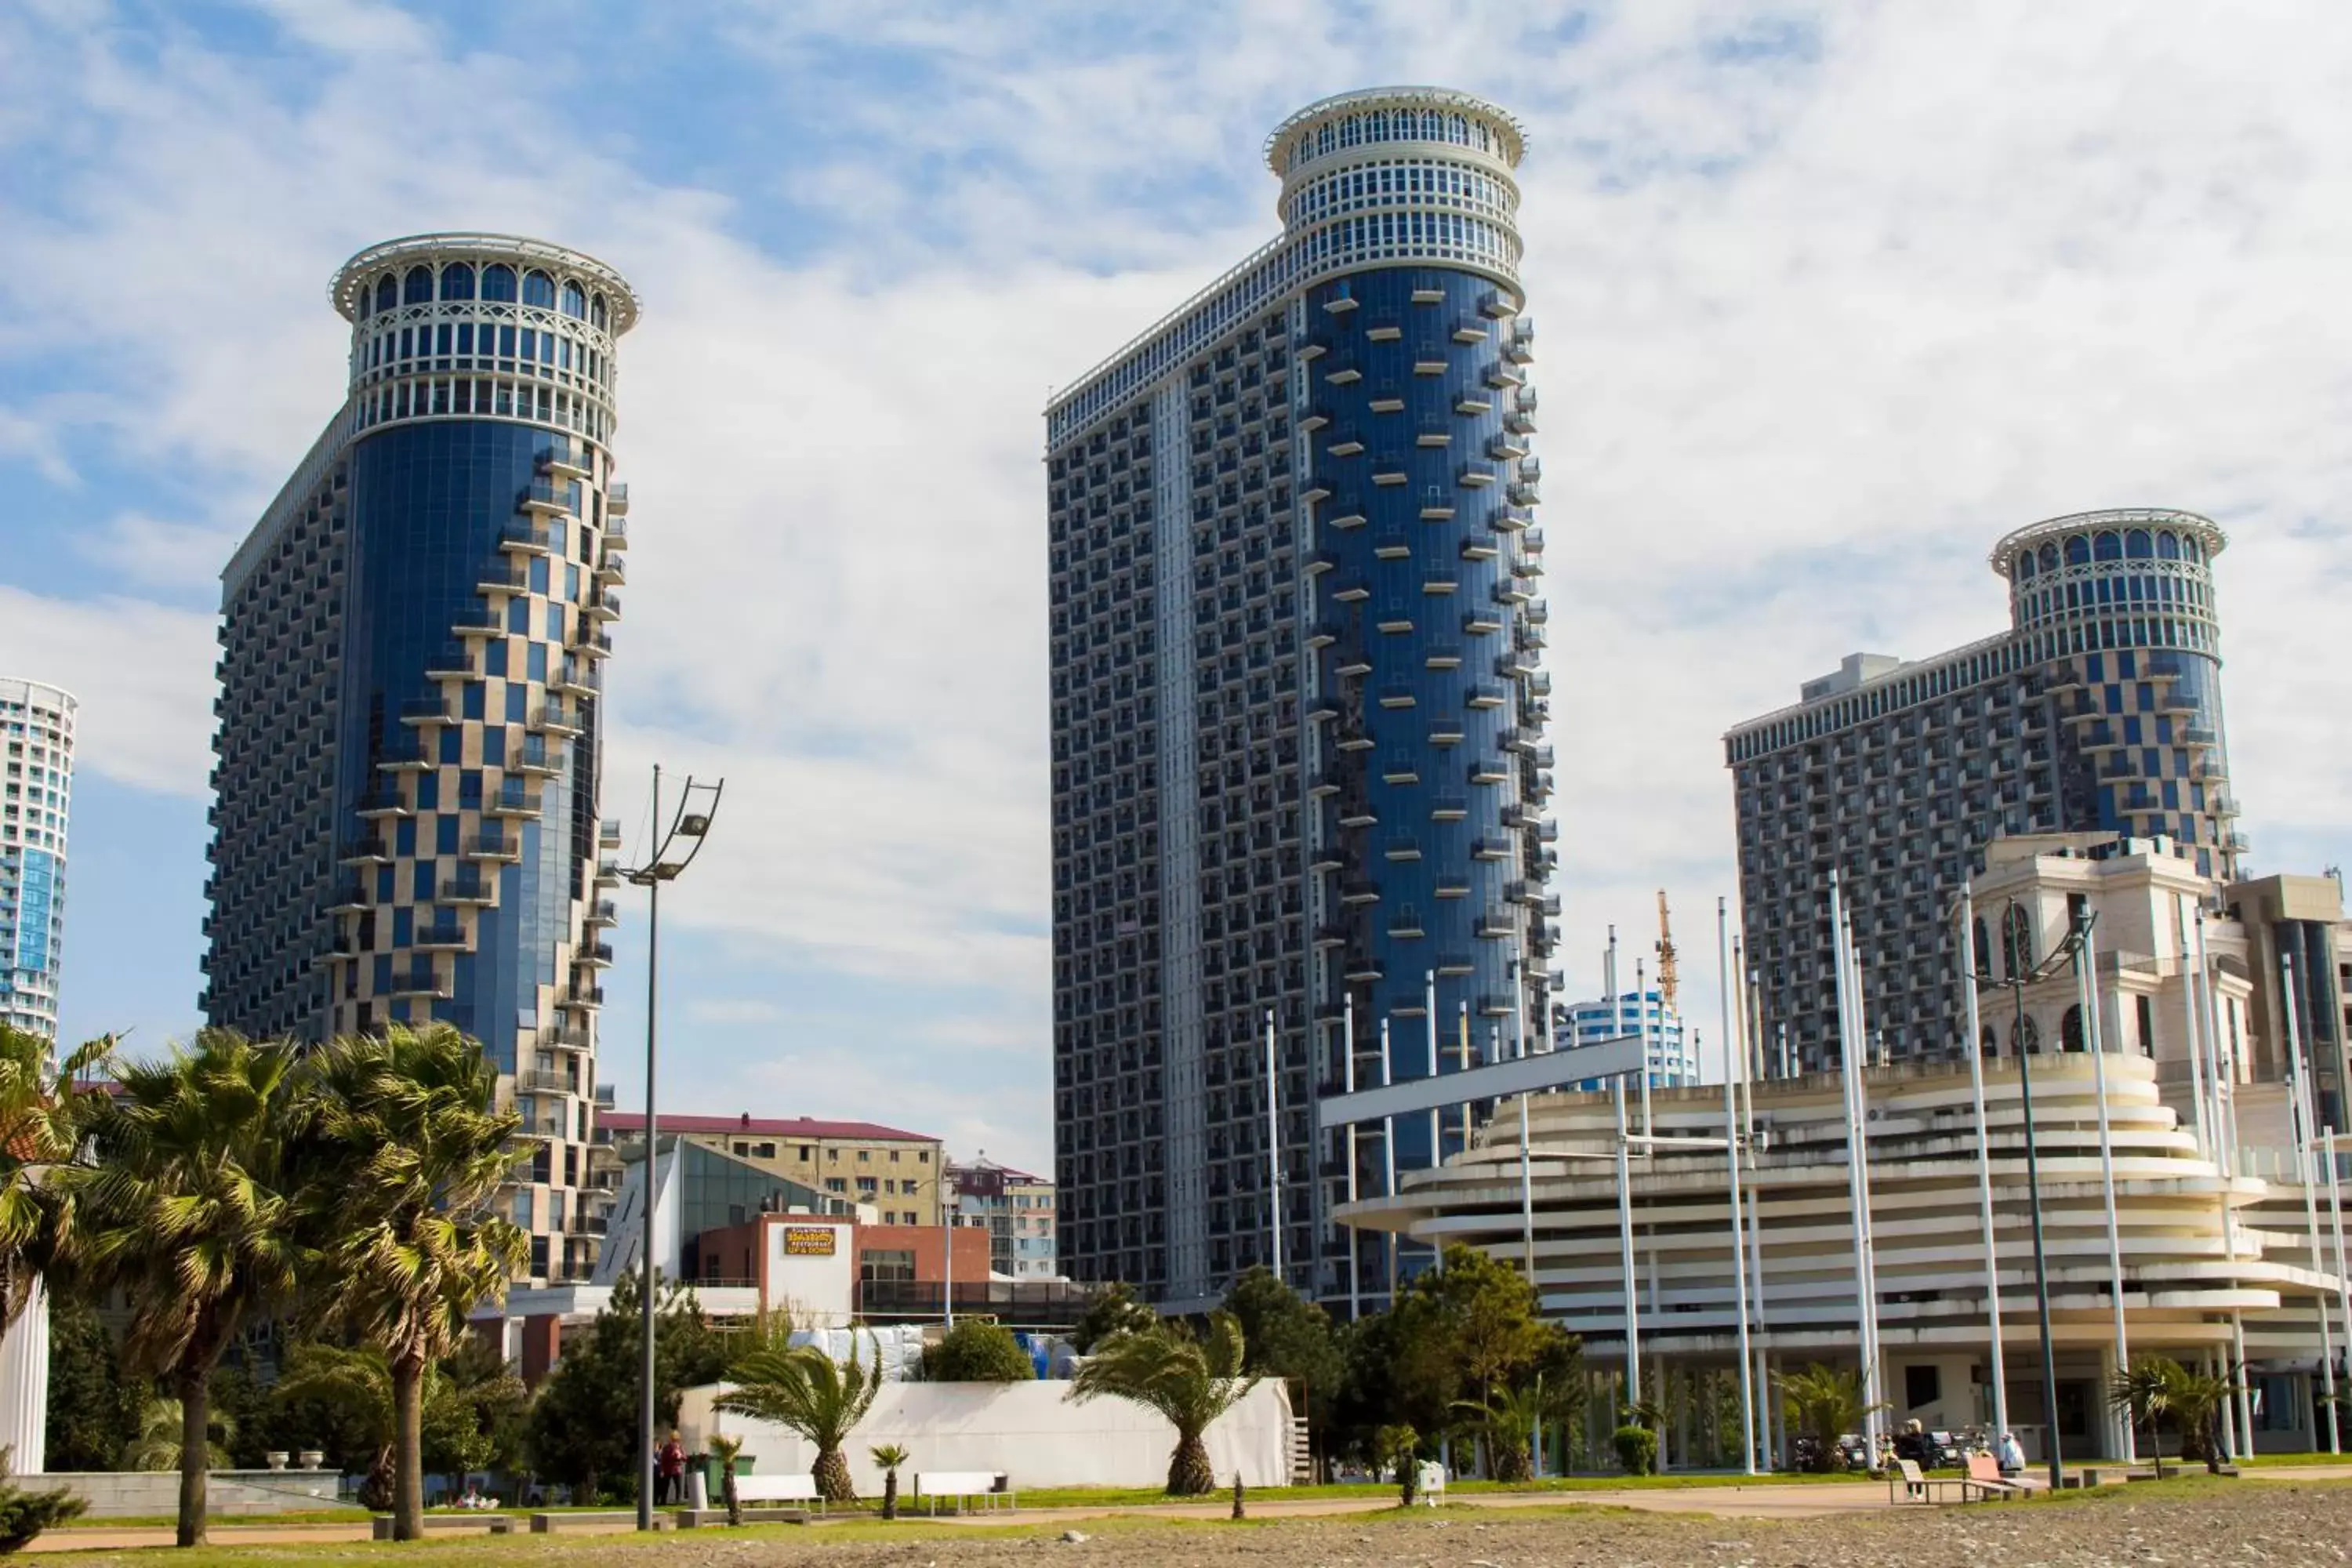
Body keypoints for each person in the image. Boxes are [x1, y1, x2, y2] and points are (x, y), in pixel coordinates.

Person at [657, 1431, 688, 1505]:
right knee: (665, 1486)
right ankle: (663, 1501)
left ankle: (678, 1500)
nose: (675, 1442)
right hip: (669, 1469)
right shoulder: (667, 1448)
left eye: (676, 1440)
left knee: (678, 1486)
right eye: (674, 1440)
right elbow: (663, 1459)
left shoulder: (680, 1447)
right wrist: (662, 1469)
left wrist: (680, 1456)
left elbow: (685, 1458)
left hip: (676, 1469)